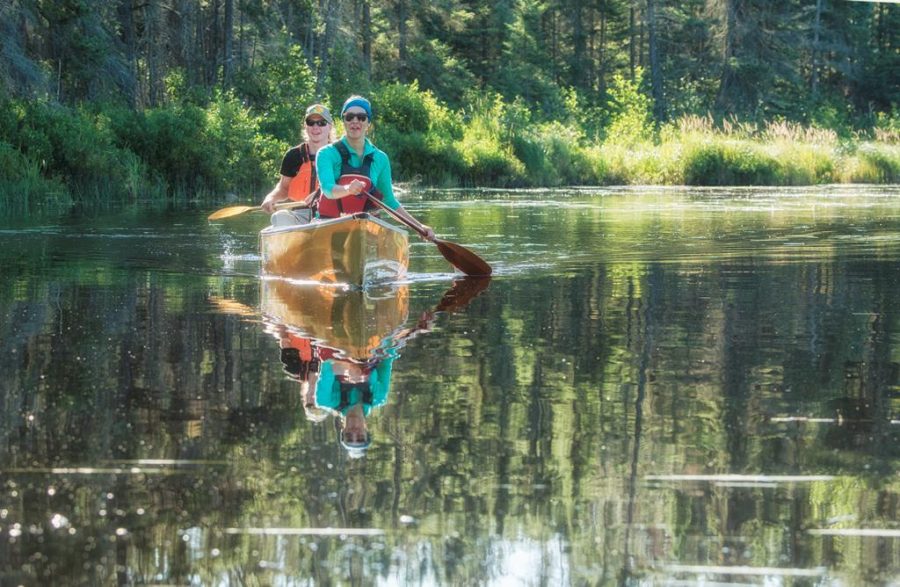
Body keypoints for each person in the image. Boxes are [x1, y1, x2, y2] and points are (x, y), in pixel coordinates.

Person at [315, 95, 436, 241]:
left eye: (361, 117)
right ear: (344, 121)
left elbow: (389, 202)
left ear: (368, 123)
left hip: (364, 230)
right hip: (328, 226)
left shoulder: (380, 158)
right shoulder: (326, 153)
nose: (355, 121)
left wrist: (418, 226)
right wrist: (348, 189)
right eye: (350, 117)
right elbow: (328, 190)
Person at [260, 103, 335, 226]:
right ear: (305, 126)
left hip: (331, 216)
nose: (315, 127)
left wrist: (320, 194)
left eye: (321, 123)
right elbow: (283, 189)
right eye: (311, 122)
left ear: (330, 127)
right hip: (300, 215)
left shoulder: (339, 155)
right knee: (278, 217)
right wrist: (271, 198)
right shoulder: (294, 155)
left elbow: (345, 185)